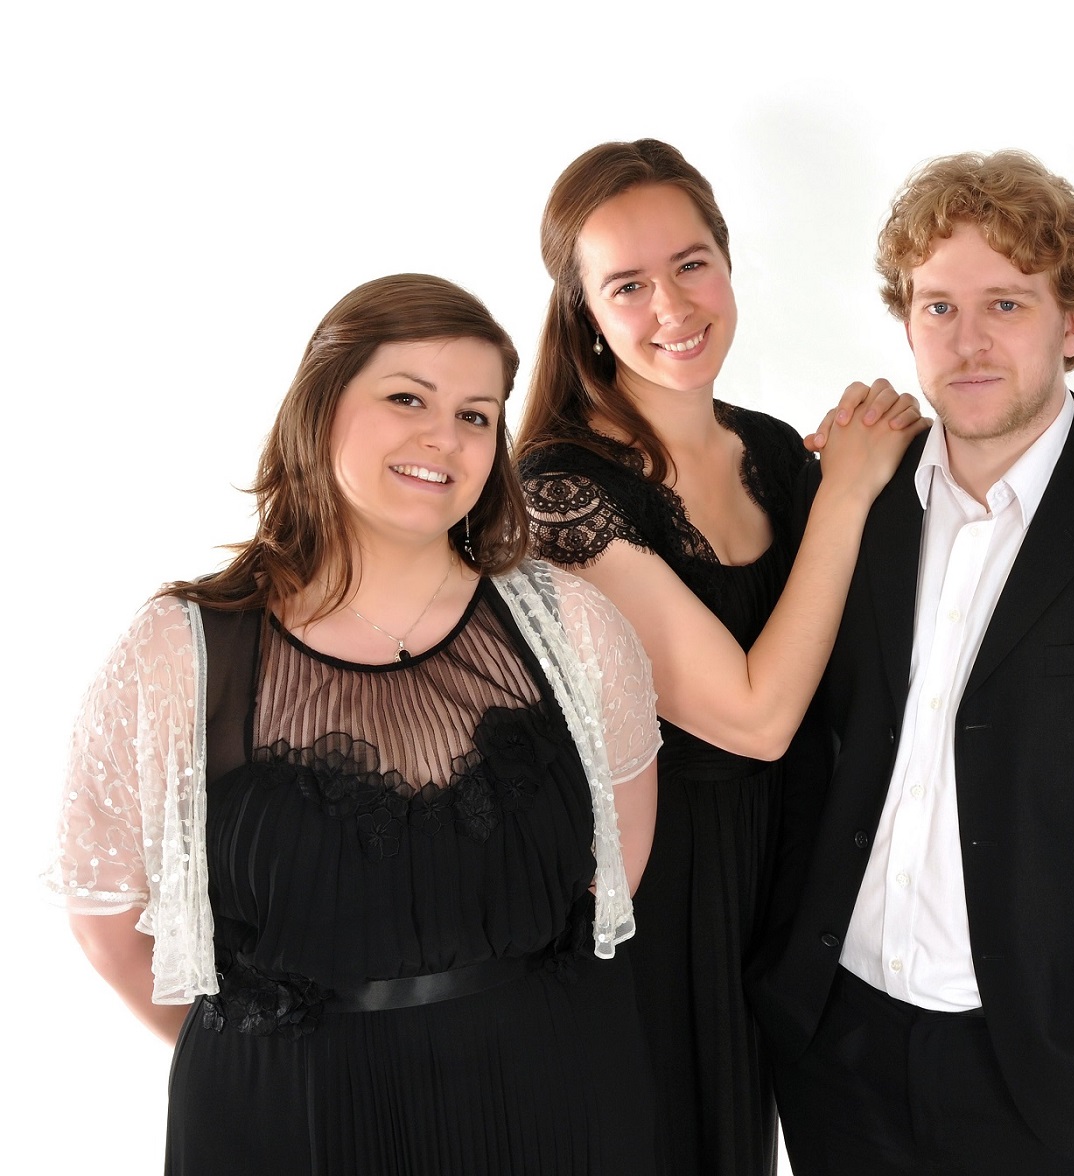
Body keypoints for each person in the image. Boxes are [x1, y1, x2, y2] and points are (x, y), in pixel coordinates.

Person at [48, 274, 665, 1174]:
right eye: (407, 398)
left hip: (546, 1103)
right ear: (322, 404)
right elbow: (107, 919)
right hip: (284, 1124)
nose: (442, 437)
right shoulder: (179, 650)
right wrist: (274, 1067)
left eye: (476, 415)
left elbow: (617, 871)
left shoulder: (572, 627)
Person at [750, 150, 1074, 1176]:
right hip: (841, 1054)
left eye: (1006, 305)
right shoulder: (849, 500)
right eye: (937, 307)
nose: (966, 341)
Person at [515, 139, 925, 1175]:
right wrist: (849, 491)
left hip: (787, 900)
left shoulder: (773, 452)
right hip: (655, 919)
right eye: (628, 285)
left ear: (729, 263)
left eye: (691, 264)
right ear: (584, 312)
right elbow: (755, 717)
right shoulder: (562, 495)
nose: (672, 306)